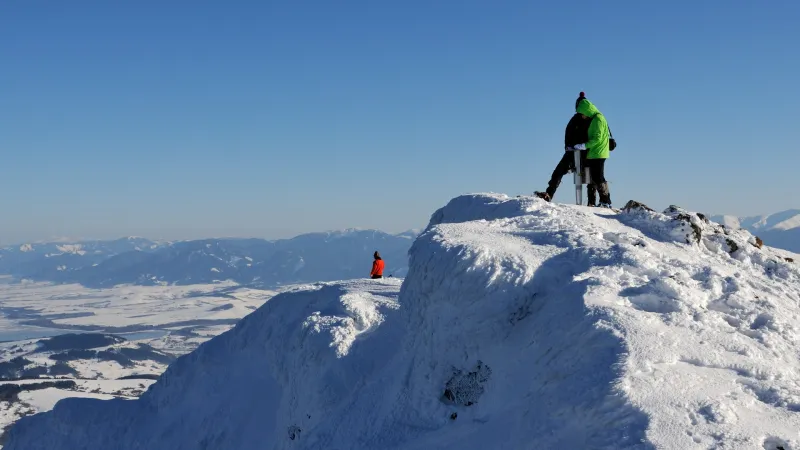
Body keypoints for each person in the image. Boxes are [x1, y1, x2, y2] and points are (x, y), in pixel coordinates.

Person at [535, 92, 598, 206]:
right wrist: (568, 147)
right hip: (572, 151)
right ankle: (548, 195)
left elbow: (598, 135)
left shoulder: (594, 119)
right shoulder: (576, 119)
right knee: (558, 172)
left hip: (588, 151)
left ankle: (591, 203)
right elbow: (568, 133)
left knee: (591, 176)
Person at [575, 94, 613, 208]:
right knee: (596, 177)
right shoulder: (596, 118)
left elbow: (597, 138)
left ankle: (606, 201)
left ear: (586, 111)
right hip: (596, 152)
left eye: (582, 114)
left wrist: (584, 145)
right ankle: (605, 201)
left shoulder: (598, 119)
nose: (582, 117)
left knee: (598, 177)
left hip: (599, 152)